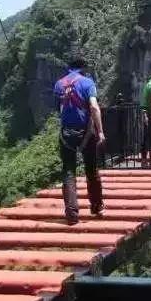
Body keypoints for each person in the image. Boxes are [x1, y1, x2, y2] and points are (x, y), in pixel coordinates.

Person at [54, 54, 105, 225]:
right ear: (83, 68)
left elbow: (59, 109)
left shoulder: (59, 84)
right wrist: (100, 132)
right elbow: (94, 107)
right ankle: (96, 206)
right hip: (86, 132)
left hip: (66, 133)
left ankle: (71, 214)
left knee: (68, 171)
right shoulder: (87, 82)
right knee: (91, 168)